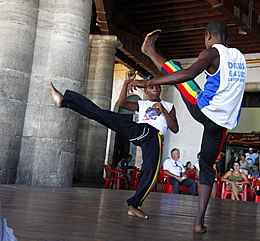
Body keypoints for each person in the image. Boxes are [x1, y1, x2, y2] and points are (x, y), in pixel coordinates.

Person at [130, 19, 247, 233]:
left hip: (203, 110)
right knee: (207, 169)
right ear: (227, 39)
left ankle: (148, 50)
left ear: (208, 36)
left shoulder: (211, 52)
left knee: (176, 70)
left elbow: (189, 74)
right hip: (222, 125)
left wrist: (149, 83)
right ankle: (199, 222)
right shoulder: (239, 57)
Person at [49, 69, 179, 219]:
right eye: (151, 87)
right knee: (103, 115)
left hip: (154, 136)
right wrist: (126, 83)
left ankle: (134, 206)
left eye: (157, 87)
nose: (155, 90)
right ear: (146, 90)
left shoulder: (168, 106)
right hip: (141, 130)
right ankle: (65, 100)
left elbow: (175, 128)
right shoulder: (141, 104)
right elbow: (122, 104)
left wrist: (163, 110)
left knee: (150, 172)